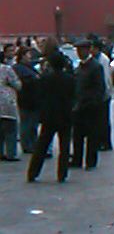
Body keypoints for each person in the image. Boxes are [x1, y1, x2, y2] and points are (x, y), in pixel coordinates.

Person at [27, 51, 75, 182]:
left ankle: (33, 172)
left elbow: (39, 96)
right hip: (65, 115)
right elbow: (73, 96)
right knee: (64, 146)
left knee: (42, 145)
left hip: (49, 115)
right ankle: (62, 173)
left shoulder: (45, 79)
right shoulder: (70, 79)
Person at [70, 40, 105, 169]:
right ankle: (77, 159)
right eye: (78, 50)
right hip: (78, 107)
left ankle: (91, 161)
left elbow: (99, 89)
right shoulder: (79, 66)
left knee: (91, 136)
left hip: (90, 108)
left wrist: (91, 102)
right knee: (77, 135)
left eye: (81, 50)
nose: (79, 53)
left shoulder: (96, 67)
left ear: (88, 50)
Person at [13, 46, 41, 154]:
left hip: (33, 100)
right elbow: (25, 83)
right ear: (22, 56)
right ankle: (27, 145)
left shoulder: (30, 67)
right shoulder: (19, 68)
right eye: (28, 54)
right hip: (26, 100)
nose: (30, 56)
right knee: (27, 124)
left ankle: (33, 144)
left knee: (33, 124)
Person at [90, 39, 113, 151]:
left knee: (104, 120)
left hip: (104, 94)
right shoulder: (94, 58)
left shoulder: (103, 59)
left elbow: (106, 77)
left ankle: (106, 142)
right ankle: (99, 141)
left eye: (92, 47)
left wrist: (105, 92)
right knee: (98, 120)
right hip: (97, 94)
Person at [0, 59, 22, 162]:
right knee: (11, 130)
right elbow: (17, 84)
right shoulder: (6, 69)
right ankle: (11, 154)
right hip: (7, 102)